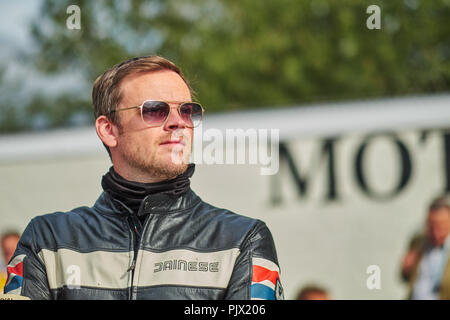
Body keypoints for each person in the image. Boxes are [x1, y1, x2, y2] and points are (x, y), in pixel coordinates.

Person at [3, 55, 283, 300]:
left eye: (187, 110)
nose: (178, 122)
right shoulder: (48, 240)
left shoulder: (242, 239)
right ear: (109, 129)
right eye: (155, 110)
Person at [400, 194, 450, 299]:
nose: (436, 233)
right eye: (432, 226)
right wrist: (406, 268)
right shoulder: (418, 242)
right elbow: (404, 277)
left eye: (441, 226)